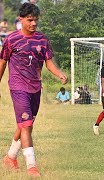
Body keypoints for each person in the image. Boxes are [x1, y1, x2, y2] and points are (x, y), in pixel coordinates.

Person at [0, 3, 67, 177]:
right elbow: (2, 63)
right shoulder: (11, 40)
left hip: (35, 88)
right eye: (30, 20)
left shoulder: (43, 40)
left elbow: (49, 62)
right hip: (18, 87)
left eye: (35, 20)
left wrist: (59, 73)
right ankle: (32, 167)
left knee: (25, 126)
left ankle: (10, 157)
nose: (33, 23)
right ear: (20, 19)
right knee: (27, 124)